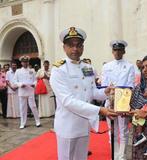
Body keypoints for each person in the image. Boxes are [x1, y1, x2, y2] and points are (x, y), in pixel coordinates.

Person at [49, 26, 117, 160]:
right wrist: (100, 110)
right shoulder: (59, 70)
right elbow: (68, 101)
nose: (75, 49)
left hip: (84, 124)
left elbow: (91, 92)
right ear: (64, 48)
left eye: (78, 45)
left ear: (83, 47)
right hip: (68, 125)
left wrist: (106, 92)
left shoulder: (88, 67)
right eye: (71, 45)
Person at [101, 40, 135, 160]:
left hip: (123, 102)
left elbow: (130, 85)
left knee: (123, 130)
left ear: (124, 51)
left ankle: (122, 155)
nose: (117, 52)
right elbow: (104, 85)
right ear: (112, 51)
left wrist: (121, 94)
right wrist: (110, 94)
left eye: (120, 50)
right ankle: (114, 154)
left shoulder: (130, 66)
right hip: (110, 100)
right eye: (115, 50)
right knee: (112, 130)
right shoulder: (106, 66)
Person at [14, 56, 41, 129]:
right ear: (21, 63)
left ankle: (37, 121)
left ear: (28, 62)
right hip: (22, 91)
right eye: (24, 62)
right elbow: (15, 81)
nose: (25, 63)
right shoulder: (18, 71)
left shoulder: (32, 70)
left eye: (26, 62)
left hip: (30, 90)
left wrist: (34, 84)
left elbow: (35, 80)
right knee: (22, 108)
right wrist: (20, 85)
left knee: (33, 106)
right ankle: (23, 123)